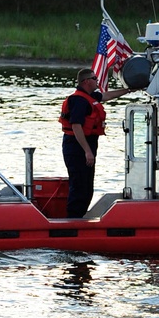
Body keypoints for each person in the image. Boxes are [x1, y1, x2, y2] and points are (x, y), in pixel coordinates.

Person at [59, 68, 129, 217]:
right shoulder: (79, 100)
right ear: (86, 81)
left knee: (87, 186)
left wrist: (128, 90)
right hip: (77, 147)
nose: (97, 80)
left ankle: (80, 217)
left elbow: (107, 95)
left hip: (87, 145)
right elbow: (76, 126)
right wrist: (87, 151)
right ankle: (73, 220)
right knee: (79, 185)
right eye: (94, 78)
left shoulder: (90, 96)